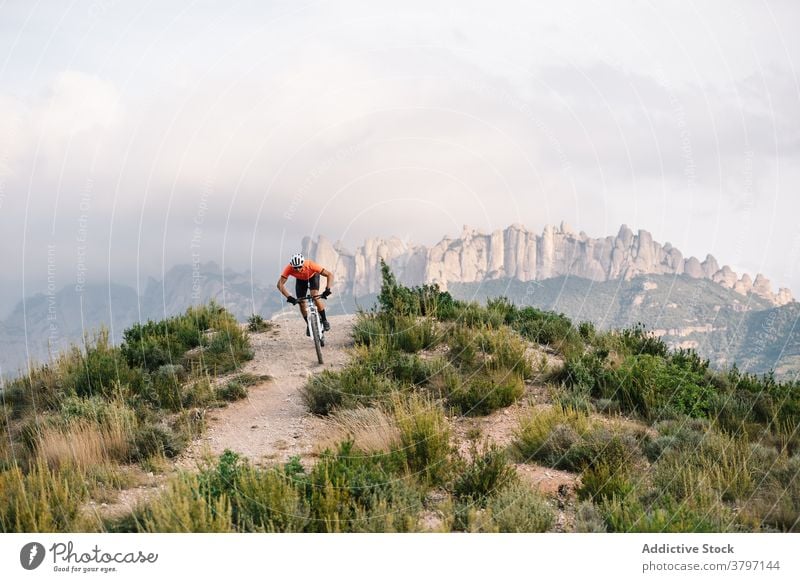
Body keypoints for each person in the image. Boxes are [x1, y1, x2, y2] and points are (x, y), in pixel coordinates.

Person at [276, 253, 334, 334]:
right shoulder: (289, 268)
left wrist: (327, 289)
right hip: (300, 281)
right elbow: (279, 284)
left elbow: (329, 275)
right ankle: (309, 325)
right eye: (295, 267)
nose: (297, 269)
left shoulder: (310, 265)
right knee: (301, 303)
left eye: (299, 266)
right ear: (292, 266)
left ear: (303, 263)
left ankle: (324, 320)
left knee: (315, 296)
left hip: (313, 277)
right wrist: (289, 297)